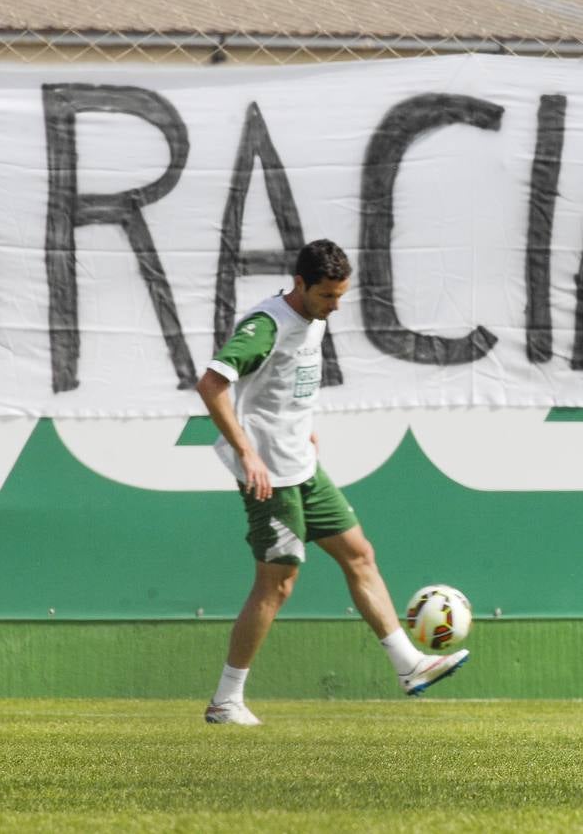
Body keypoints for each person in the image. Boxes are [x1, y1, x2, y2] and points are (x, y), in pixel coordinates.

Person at [197, 239, 466, 725]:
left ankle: (410, 666)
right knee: (276, 585)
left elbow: (283, 388)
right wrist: (246, 452)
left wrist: (303, 426)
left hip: (302, 465)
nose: (336, 306)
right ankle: (225, 701)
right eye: (327, 296)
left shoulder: (314, 318)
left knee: (359, 553)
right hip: (271, 477)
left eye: (342, 296)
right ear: (300, 284)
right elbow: (211, 383)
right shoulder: (266, 325)